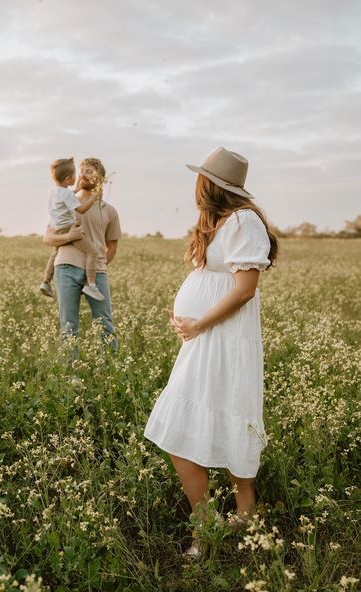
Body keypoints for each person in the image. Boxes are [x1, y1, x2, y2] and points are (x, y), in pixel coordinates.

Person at [143, 147, 279, 557]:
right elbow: (211, 280)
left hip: (224, 338)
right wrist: (187, 318)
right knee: (207, 416)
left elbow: (245, 288)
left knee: (189, 425)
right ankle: (238, 514)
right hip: (205, 337)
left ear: (212, 184)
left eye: (201, 177)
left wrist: (200, 321)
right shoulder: (218, 221)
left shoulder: (244, 221)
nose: (196, 184)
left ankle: (212, 526)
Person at [43, 157, 121, 351]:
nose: (84, 174)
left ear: (101, 179)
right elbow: (48, 238)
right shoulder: (66, 201)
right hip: (65, 268)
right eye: (82, 170)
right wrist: (69, 236)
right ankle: (70, 376)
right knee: (68, 327)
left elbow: (111, 247)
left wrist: (97, 269)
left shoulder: (110, 211)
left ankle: (110, 370)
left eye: (90, 171)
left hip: (97, 273)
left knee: (105, 324)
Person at [40, 157, 104, 301]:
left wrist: (78, 189)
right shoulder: (67, 194)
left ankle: (46, 281)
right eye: (77, 174)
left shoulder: (55, 191)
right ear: (68, 179)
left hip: (56, 228)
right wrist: (94, 198)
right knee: (92, 251)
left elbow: (67, 196)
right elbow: (81, 209)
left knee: (55, 253)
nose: (78, 176)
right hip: (68, 228)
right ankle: (91, 284)